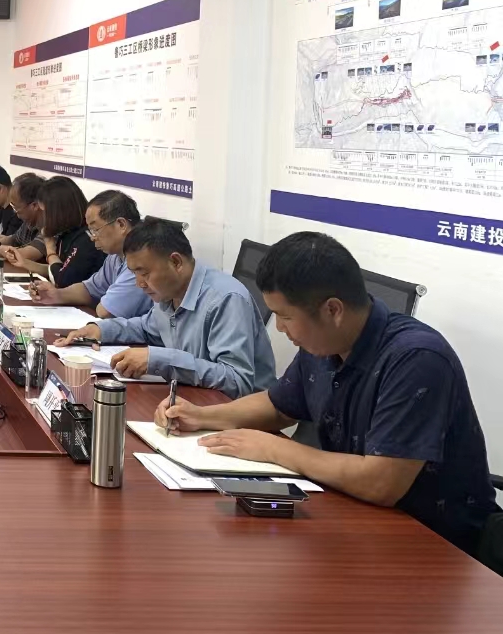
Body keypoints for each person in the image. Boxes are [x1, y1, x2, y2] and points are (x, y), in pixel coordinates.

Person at [156, 232, 499, 556]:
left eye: (285, 316)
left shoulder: (417, 359)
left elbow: (382, 483)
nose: (279, 327)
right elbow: (279, 405)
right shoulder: (323, 345)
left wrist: (275, 448)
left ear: (333, 310)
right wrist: (202, 416)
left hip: (436, 544)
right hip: (353, 518)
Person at [64, 219, 275, 399]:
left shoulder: (226, 299)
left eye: (144, 273)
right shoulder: (169, 292)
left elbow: (236, 380)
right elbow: (147, 328)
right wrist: (101, 330)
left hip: (235, 413)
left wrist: (159, 360)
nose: (139, 283)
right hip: (190, 398)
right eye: (134, 274)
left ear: (176, 262)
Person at [41, 189, 153, 322]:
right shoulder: (115, 255)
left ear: (121, 224)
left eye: (95, 230)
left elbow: (106, 312)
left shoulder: (143, 257)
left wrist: (101, 302)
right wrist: (56, 295)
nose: (92, 237)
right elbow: (90, 289)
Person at [0, 176, 103, 287]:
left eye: (44, 211)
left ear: (58, 210)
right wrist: (24, 263)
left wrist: (50, 250)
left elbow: (62, 279)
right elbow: (61, 268)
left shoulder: (85, 238)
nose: (43, 217)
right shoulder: (66, 232)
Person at [0, 172, 44, 253]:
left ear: (34, 205)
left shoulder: (50, 225)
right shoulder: (29, 222)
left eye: (16, 208)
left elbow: (30, 252)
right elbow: (12, 239)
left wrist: (1, 250)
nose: (16, 214)